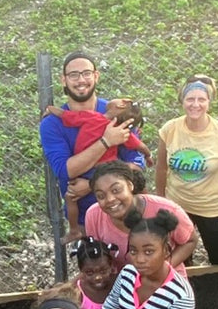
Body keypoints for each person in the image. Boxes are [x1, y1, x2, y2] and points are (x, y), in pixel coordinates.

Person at [39, 52, 147, 225]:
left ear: (96, 76)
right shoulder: (52, 124)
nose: (81, 80)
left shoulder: (118, 112)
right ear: (63, 80)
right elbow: (65, 170)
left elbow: (136, 164)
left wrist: (91, 184)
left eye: (86, 73)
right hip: (86, 219)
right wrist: (106, 142)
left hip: (127, 213)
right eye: (73, 74)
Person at [154, 75, 218, 266]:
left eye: (201, 99)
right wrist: (161, 201)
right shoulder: (170, 129)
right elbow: (161, 168)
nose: (195, 104)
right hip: (178, 204)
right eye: (190, 99)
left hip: (214, 206)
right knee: (179, 257)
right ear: (182, 101)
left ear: (209, 102)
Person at [98, 208, 197, 309]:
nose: (139, 259)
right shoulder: (127, 274)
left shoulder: (181, 296)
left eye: (149, 251)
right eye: (133, 251)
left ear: (166, 251)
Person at [48, 99, 151, 242]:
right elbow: (140, 146)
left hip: (90, 169)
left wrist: (50, 109)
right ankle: (149, 215)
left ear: (120, 105)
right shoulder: (120, 130)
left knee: (70, 197)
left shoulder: (92, 116)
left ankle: (73, 230)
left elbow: (66, 115)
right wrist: (148, 155)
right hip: (110, 170)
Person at [83, 162, 197, 275]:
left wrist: (161, 269)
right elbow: (97, 257)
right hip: (122, 283)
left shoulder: (166, 210)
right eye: (101, 196)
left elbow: (190, 241)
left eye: (116, 190)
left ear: (130, 185)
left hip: (165, 279)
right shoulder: (94, 216)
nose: (110, 199)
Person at [73, 237, 117, 309]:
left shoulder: (119, 284)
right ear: (81, 270)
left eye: (103, 271)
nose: (97, 277)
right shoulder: (78, 291)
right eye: (89, 273)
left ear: (111, 265)